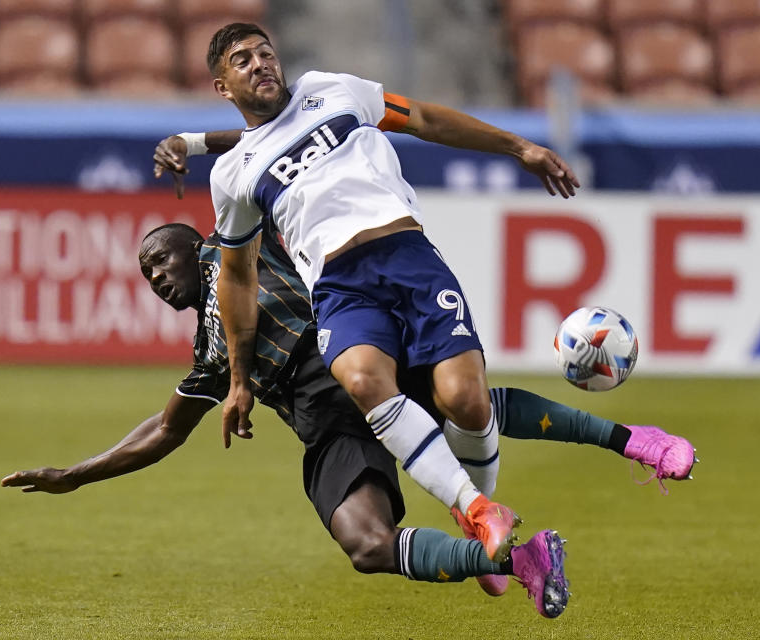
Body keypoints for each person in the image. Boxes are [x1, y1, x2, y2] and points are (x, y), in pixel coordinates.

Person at [1, 222, 695, 618]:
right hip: (327, 425)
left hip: (362, 353)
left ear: (196, 243)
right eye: (145, 273)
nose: (154, 275)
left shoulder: (245, 246)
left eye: (160, 257)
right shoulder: (214, 350)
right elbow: (165, 428)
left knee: (470, 404)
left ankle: (636, 441)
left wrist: (191, 144)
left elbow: (266, 162)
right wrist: (76, 475)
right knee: (365, 546)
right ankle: (522, 558)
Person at [199, 23, 582, 565]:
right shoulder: (233, 173)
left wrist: (517, 146)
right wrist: (239, 380)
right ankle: (478, 510)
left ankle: (482, 528)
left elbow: (423, 118)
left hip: (409, 259)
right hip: (338, 286)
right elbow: (238, 276)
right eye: (242, 60)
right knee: (360, 378)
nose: (261, 63)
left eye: (265, 53)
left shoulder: (332, 91)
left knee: (467, 403)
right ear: (222, 86)